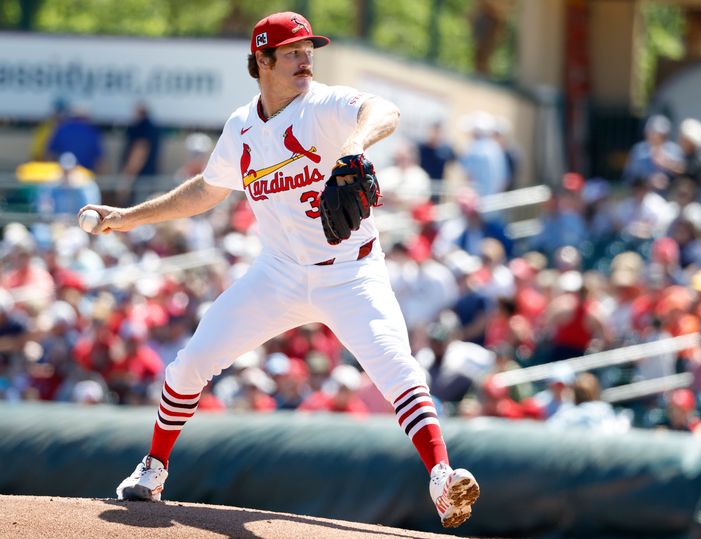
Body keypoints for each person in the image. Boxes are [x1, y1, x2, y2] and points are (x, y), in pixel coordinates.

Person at [79, 11, 479, 528]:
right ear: (262, 61)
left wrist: (354, 145)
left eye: (308, 50)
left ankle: (443, 480)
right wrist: (130, 218)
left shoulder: (324, 106)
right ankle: (154, 467)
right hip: (280, 273)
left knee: (399, 372)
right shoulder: (241, 126)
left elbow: (387, 109)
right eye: (292, 52)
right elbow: (206, 190)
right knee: (188, 364)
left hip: (350, 273)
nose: (305, 59)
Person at [118, 103, 162, 205]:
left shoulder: (142, 128)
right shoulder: (153, 128)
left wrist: (127, 179)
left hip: (138, 180)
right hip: (148, 176)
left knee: (136, 211)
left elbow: (139, 152)